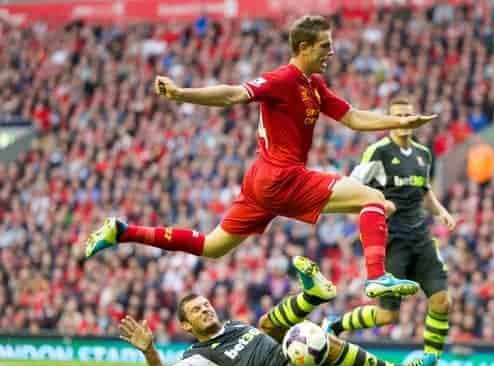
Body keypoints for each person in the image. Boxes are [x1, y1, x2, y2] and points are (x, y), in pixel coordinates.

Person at [85, 15, 436, 298]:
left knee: (212, 246)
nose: (331, 52)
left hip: (262, 180)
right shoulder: (282, 79)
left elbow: (354, 118)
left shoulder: (314, 85)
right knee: (374, 198)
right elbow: (232, 95)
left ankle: (123, 231)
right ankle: (376, 278)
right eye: (325, 46)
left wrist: (400, 121)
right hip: (282, 177)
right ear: (303, 47)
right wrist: (180, 94)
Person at [118, 256, 436, 366]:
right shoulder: (197, 359)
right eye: (198, 311)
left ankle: (314, 299)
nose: (206, 310)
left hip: (292, 354)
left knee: (268, 324)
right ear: (187, 326)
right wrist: (149, 352)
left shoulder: (233, 325)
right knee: (318, 339)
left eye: (206, 304)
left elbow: (272, 333)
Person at [323, 97, 455, 366]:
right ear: (391, 119)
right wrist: (372, 211)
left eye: (408, 114)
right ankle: (337, 323)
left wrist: (441, 211)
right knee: (387, 315)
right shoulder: (378, 152)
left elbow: (424, 190)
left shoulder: (423, 154)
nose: (405, 120)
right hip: (393, 240)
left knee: (442, 302)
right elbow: (352, 187)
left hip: (421, 236)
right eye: (399, 115)